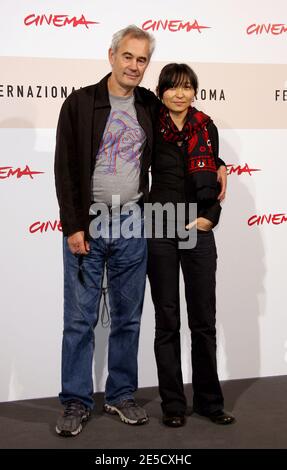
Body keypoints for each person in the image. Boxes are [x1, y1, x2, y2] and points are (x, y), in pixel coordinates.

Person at [54, 25, 158, 436]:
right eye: (128, 56)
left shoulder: (148, 105)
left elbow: (187, 126)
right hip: (89, 225)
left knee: (128, 318)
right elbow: (65, 169)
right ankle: (76, 402)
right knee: (79, 320)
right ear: (112, 56)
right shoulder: (80, 104)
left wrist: (216, 162)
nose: (134, 65)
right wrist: (73, 225)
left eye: (142, 59)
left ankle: (120, 395)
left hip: (133, 222)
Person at [147, 63, 235, 427]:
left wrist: (210, 216)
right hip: (160, 224)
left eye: (187, 87)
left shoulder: (205, 125)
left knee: (203, 321)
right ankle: (173, 405)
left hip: (197, 226)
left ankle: (209, 402)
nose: (180, 94)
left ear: (195, 91)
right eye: (173, 87)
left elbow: (214, 169)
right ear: (161, 91)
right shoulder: (149, 123)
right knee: (167, 320)